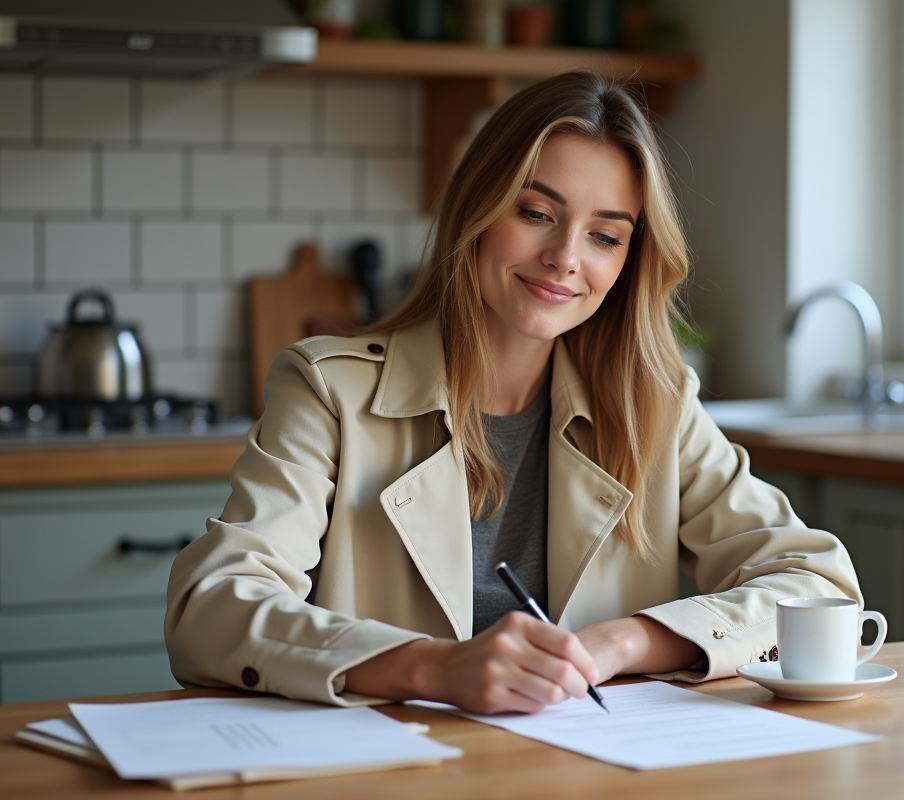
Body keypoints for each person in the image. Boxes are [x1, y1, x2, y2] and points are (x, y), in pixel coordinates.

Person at [165, 71, 862, 714]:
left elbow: (817, 585)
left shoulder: (657, 403)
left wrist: (621, 643)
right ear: (477, 208)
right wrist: (431, 668)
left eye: (606, 236)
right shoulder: (330, 389)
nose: (566, 258)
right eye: (535, 212)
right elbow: (212, 608)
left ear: (629, 260)